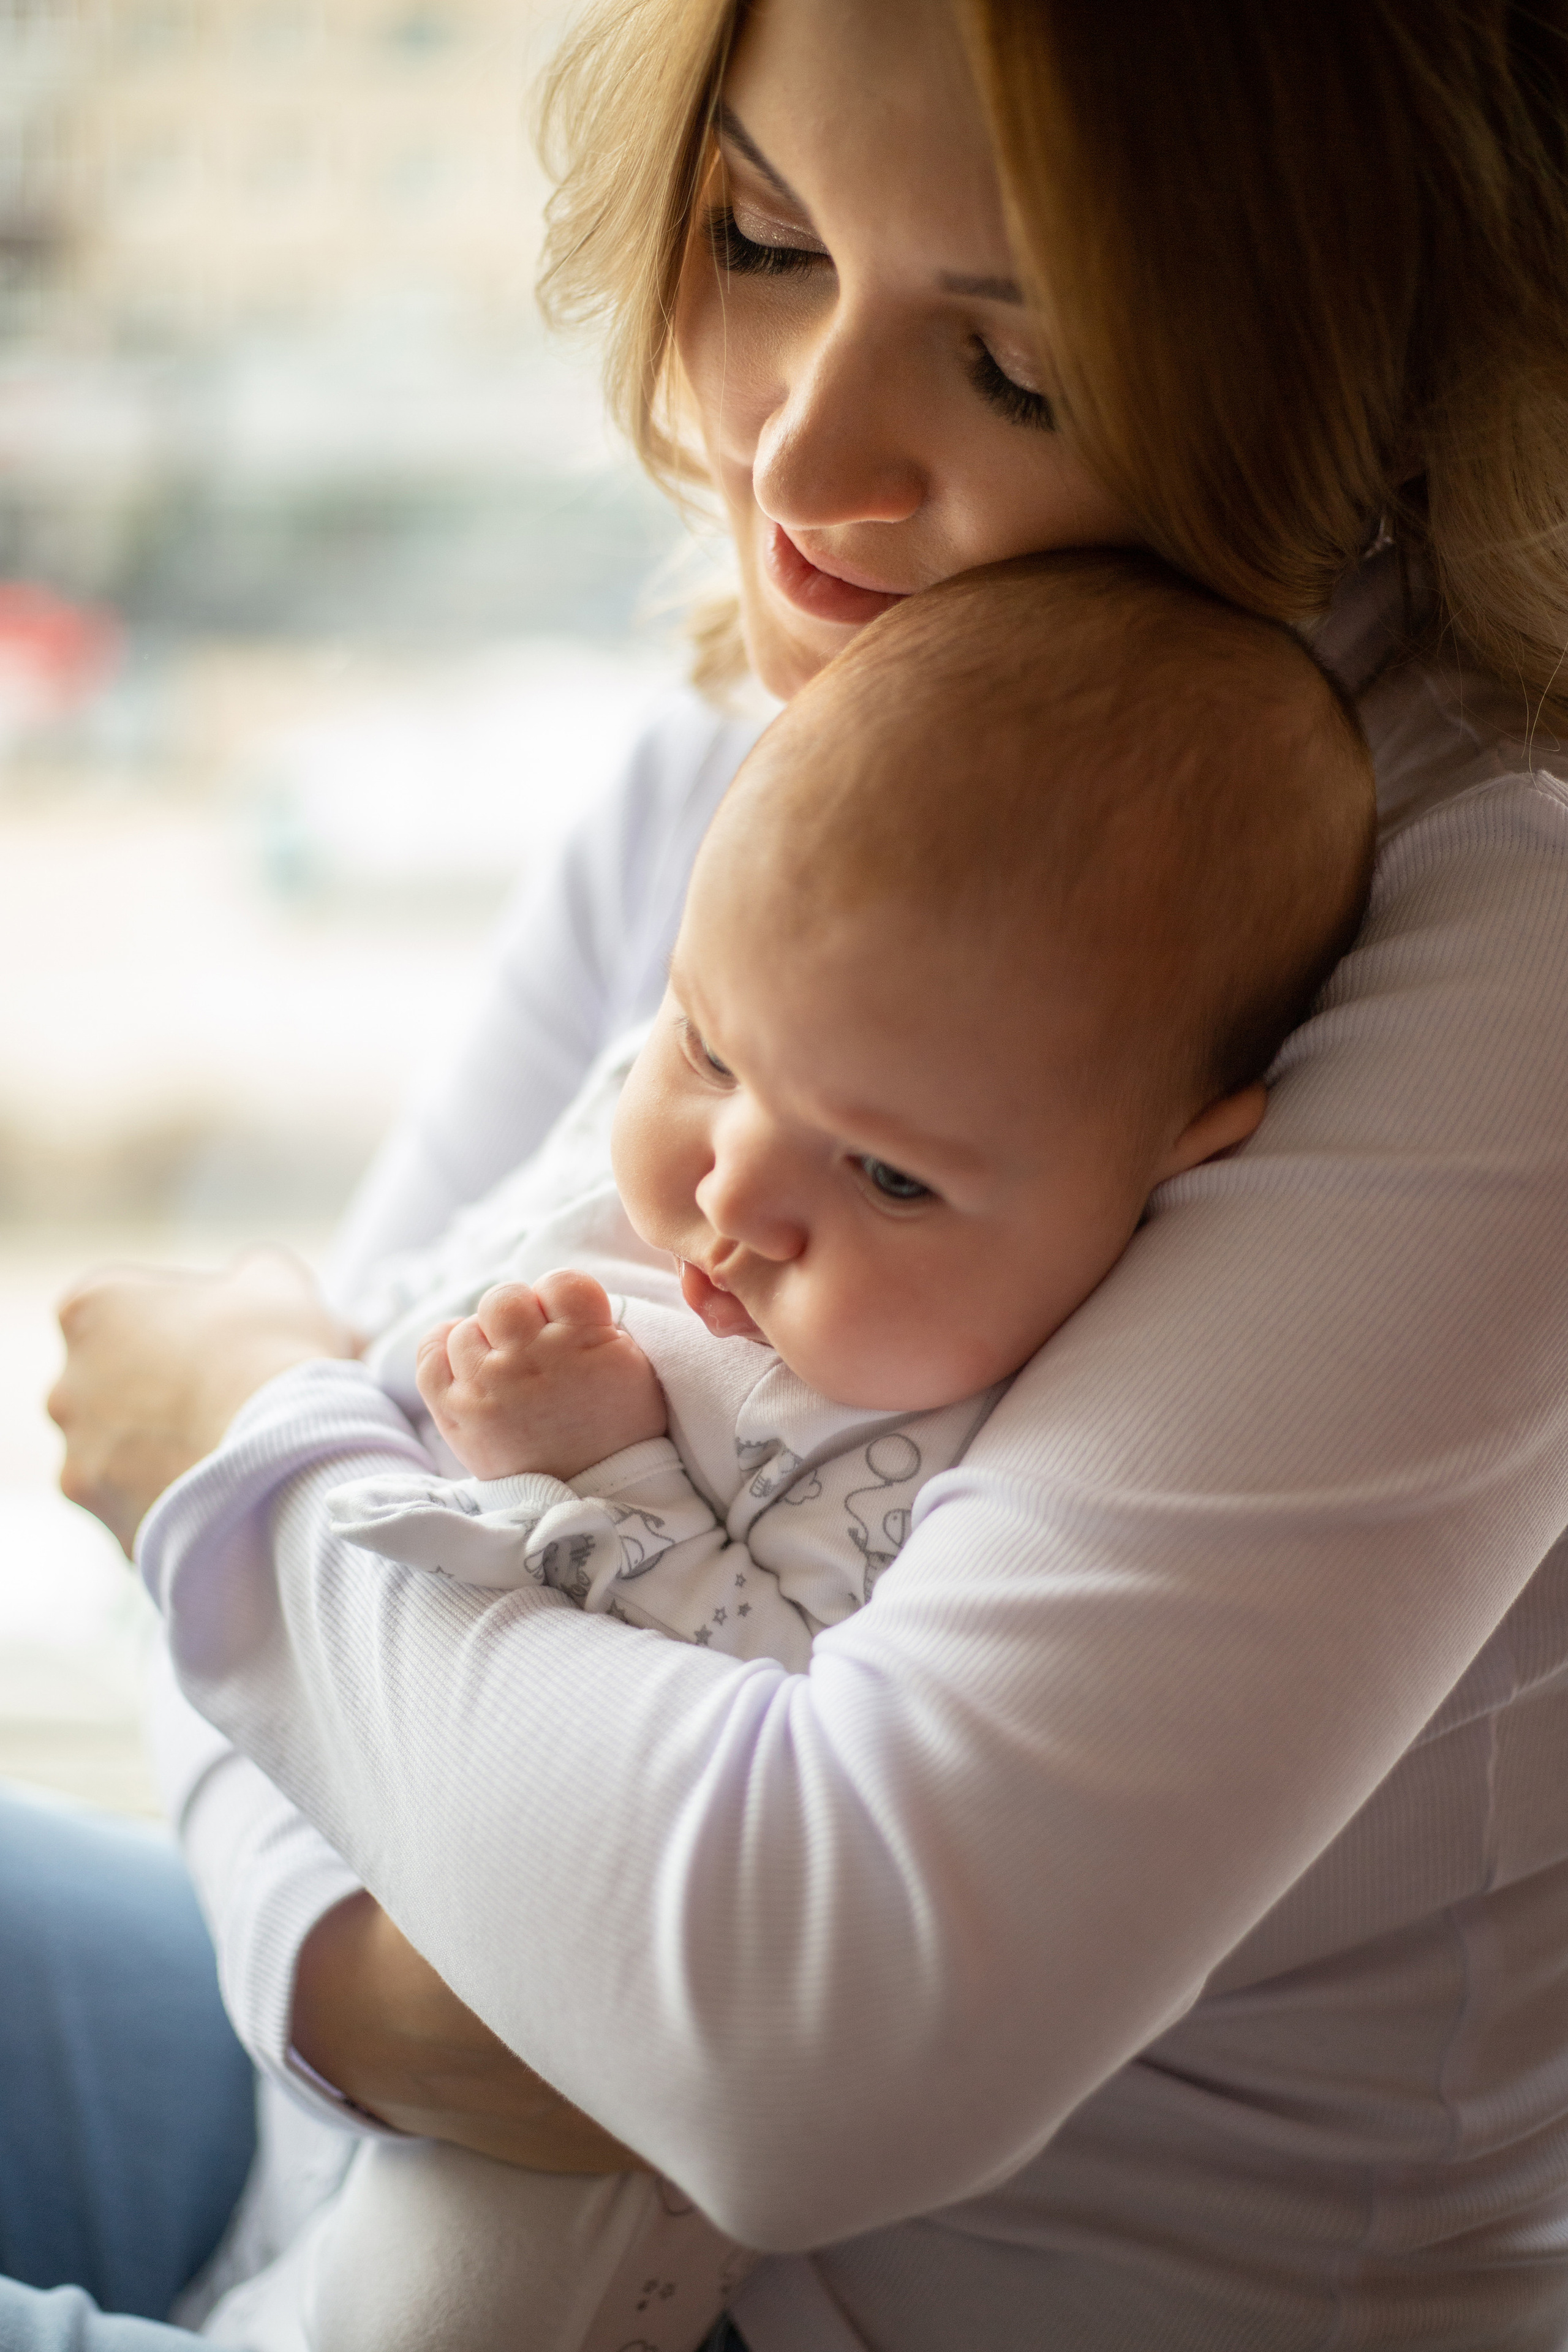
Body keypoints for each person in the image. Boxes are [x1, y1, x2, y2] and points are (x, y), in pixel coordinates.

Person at [28, 1, 1568, 2346]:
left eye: (1020, 373)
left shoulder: (1495, 946)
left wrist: (219, 1450)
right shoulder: (761, 754)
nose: (802, 451)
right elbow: (254, 1632)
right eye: (763, 237)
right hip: (365, 2148)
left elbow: (802, 2038)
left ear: (1358, 373)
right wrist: (382, 1991)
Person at [189, 551, 1373, 2352]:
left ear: (1181, 1160)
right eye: (707, 1052)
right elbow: (384, 1340)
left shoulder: (936, 1432)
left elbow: (750, 1727)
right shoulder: (697, 1145)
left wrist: (594, 1470)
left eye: (888, 1175)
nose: (733, 1199)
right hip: (358, 1932)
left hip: (563, 2188)